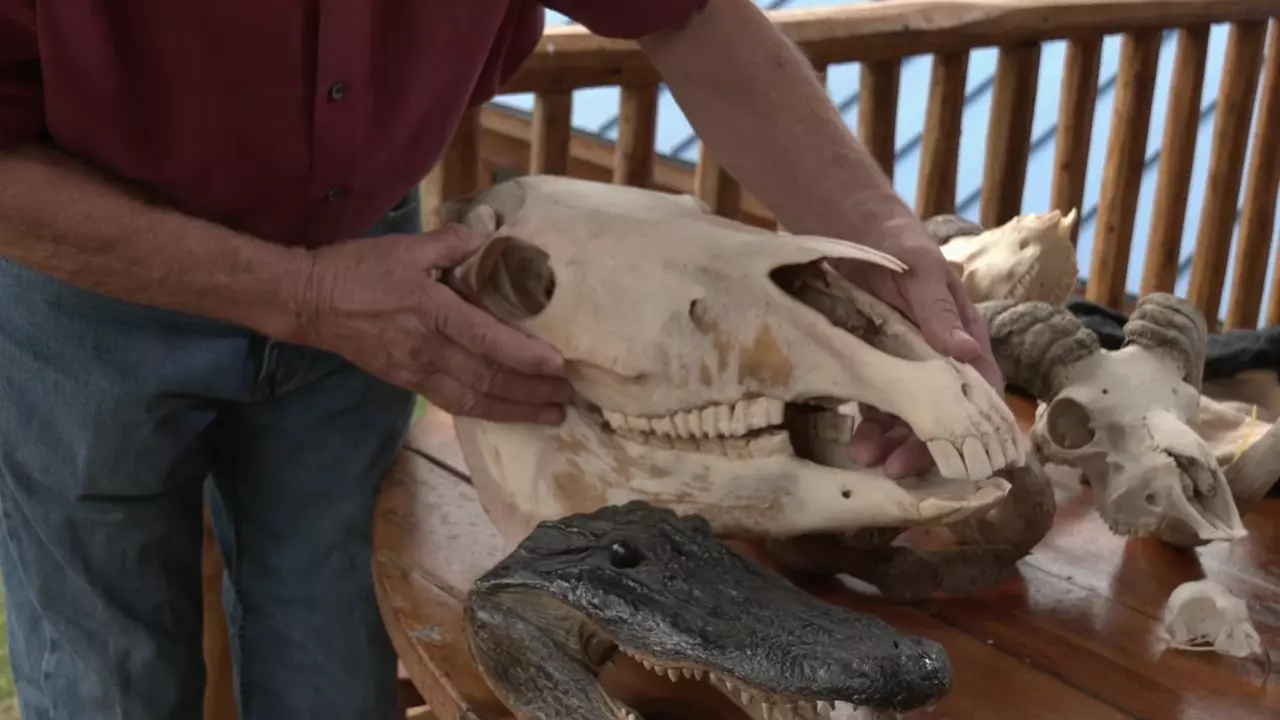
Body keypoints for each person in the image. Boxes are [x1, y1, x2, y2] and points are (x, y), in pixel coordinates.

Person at [0, 0, 1003, 718]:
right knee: (106, 677)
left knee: (333, 662)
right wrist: (303, 294)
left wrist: (879, 238)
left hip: (373, 251)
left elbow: (687, 15)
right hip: (89, 282)